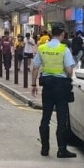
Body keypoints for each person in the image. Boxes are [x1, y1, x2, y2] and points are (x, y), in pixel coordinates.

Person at [30, 22, 77, 159]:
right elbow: (69, 70)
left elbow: (35, 67)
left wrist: (33, 85)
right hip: (61, 87)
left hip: (47, 87)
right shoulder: (64, 49)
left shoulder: (42, 48)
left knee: (46, 117)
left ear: (51, 34)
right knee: (62, 118)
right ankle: (61, 149)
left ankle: (45, 148)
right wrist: (69, 74)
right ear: (62, 34)